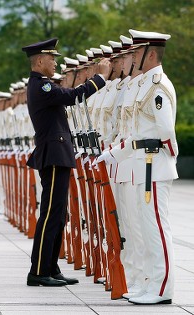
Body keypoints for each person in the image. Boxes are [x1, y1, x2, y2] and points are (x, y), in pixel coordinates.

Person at [21, 38, 111, 287]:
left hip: (57, 154)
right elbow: (72, 96)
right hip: (53, 155)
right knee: (50, 214)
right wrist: (100, 78)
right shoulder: (41, 86)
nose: (55, 63)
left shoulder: (43, 85)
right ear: (39, 61)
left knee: (58, 215)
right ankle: (38, 271)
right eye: (52, 59)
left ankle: (50, 266)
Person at [97, 30, 177, 305]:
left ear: (151, 54)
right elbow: (134, 132)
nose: (131, 57)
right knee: (143, 228)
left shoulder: (157, 86)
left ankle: (162, 287)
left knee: (155, 228)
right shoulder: (143, 85)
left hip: (153, 164)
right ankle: (149, 283)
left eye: (137, 52)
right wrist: (116, 152)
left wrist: (167, 153)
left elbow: (165, 130)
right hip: (142, 162)